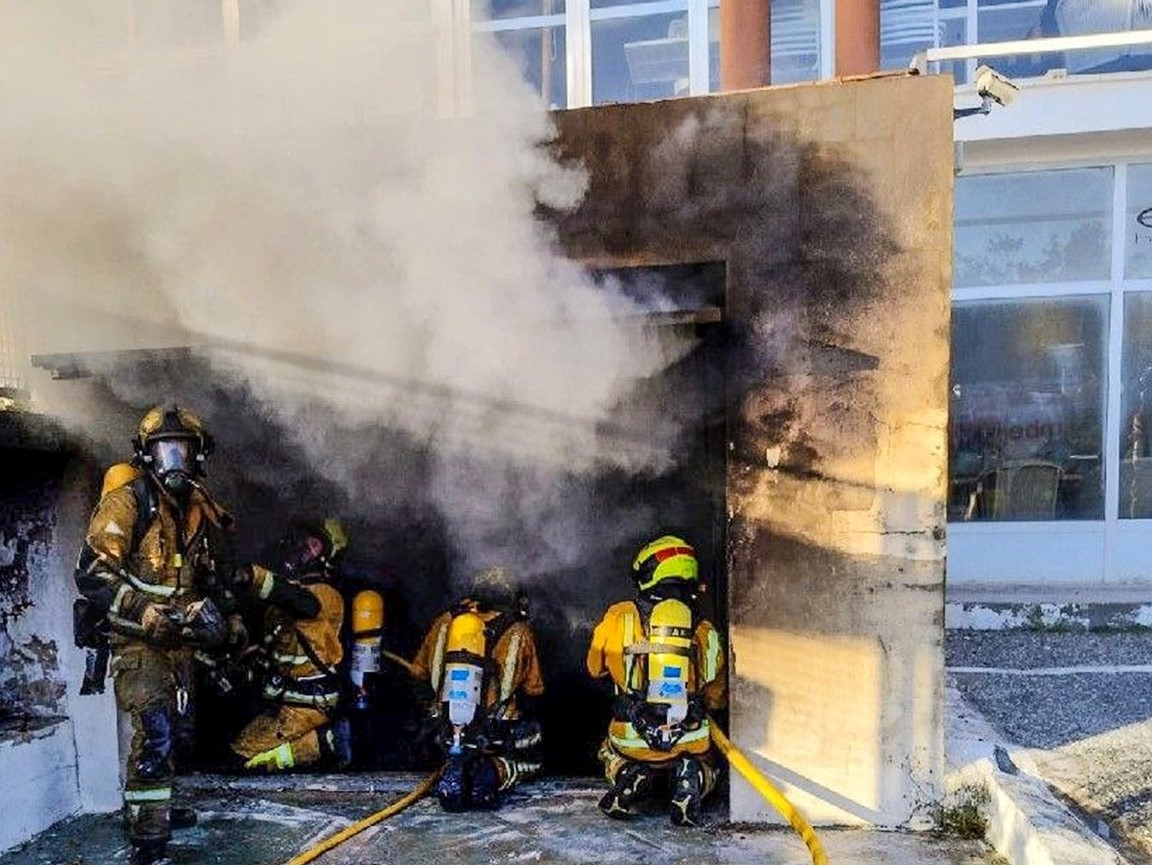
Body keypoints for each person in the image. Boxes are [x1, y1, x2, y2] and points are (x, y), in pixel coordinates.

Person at [73, 405, 240, 865]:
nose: (173, 461)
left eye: (181, 450)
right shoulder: (127, 502)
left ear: (198, 457)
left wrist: (226, 617)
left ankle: (150, 808)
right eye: (164, 450)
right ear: (146, 456)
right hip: (137, 639)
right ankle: (149, 839)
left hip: (178, 641)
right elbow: (92, 574)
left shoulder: (197, 511)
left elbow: (208, 576)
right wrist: (143, 610)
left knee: (167, 733)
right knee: (157, 730)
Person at [586, 535, 727, 826]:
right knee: (712, 762)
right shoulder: (705, 629)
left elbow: (594, 669)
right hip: (690, 736)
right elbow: (717, 696)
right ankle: (695, 779)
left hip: (631, 734)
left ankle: (628, 774)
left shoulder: (619, 615)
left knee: (607, 752)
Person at [410, 566, 545, 811]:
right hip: (496, 734)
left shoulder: (445, 622)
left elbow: (417, 674)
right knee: (534, 749)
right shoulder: (519, 632)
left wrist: (434, 713)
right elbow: (534, 691)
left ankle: (452, 769)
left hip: (445, 729)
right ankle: (493, 772)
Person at [230, 518, 353, 773]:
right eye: (301, 540)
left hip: (308, 703)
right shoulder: (285, 597)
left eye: (313, 544)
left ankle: (327, 740)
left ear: (328, 557)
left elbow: (304, 604)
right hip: (286, 701)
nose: (299, 547)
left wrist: (253, 577)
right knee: (235, 747)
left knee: (243, 760)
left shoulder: (325, 594)